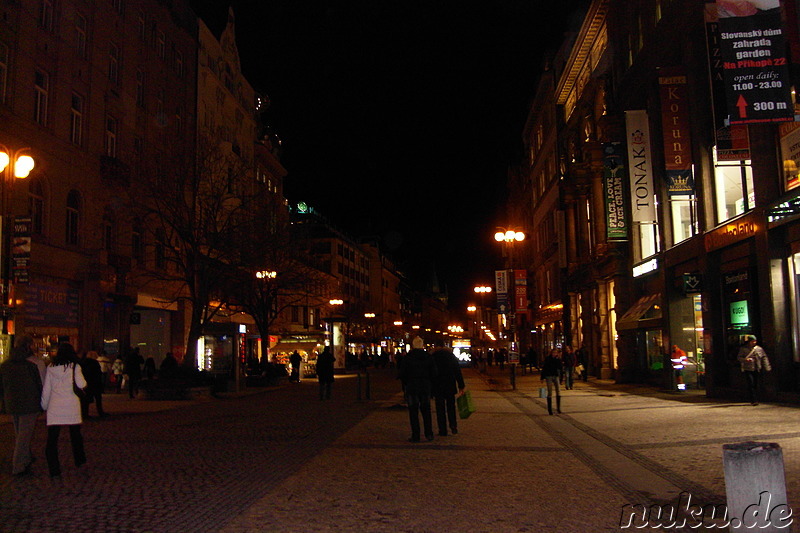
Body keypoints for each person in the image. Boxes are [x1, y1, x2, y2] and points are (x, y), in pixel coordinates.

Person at [41, 343, 87, 479]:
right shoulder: (75, 367)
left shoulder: (51, 368)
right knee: (75, 435)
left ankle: (54, 468)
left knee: (52, 439)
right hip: (71, 405)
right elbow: (82, 384)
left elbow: (46, 390)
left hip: (55, 407)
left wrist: (44, 405)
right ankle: (79, 460)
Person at [0, 335, 43, 476]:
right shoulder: (31, 366)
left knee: (20, 433)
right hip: (29, 405)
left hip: (12, 404)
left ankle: (25, 461)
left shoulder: (5, 366)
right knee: (24, 436)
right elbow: (38, 385)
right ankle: (18, 466)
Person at [398, 337, 437, 442]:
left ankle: (416, 435)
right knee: (426, 411)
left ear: (413, 345)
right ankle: (429, 433)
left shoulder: (408, 357)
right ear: (422, 345)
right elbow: (434, 373)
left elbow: (402, 373)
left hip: (412, 387)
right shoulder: (428, 357)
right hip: (425, 387)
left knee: (413, 412)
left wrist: (406, 384)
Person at [431, 341, 465, 436]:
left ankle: (442, 430)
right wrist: (461, 385)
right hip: (450, 385)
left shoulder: (433, 356)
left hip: (438, 386)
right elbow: (457, 371)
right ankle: (453, 426)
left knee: (440, 409)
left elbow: (430, 373)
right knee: (451, 407)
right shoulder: (450, 356)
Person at [737, 335, 772, 405]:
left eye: (755, 341)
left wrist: (767, 367)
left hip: (757, 368)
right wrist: (745, 359)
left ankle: (757, 397)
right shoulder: (744, 349)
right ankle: (753, 399)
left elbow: (764, 357)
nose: (754, 342)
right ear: (749, 342)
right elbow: (739, 357)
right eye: (752, 341)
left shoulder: (759, 349)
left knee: (756, 384)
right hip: (748, 368)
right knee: (751, 383)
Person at [80, 351, 106, 418]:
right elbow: (98, 373)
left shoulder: (83, 363)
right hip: (95, 382)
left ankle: (85, 413)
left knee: (86, 399)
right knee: (98, 398)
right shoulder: (95, 363)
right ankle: (100, 412)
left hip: (87, 382)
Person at [540, 348, 563, 415]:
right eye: (553, 353)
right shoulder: (548, 359)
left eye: (556, 353)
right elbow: (544, 368)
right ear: (551, 353)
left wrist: (558, 359)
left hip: (555, 376)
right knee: (550, 391)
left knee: (558, 391)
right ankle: (550, 410)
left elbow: (560, 368)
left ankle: (558, 408)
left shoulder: (557, 359)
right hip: (549, 376)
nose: (554, 354)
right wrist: (542, 377)